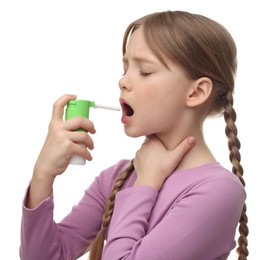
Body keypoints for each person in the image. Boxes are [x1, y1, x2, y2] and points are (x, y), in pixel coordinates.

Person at [20, 10, 248, 260]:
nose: (123, 82)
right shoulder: (117, 177)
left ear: (196, 92)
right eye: (125, 68)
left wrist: (147, 182)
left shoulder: (218, 191)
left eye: (145, 71)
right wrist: (43, 174)